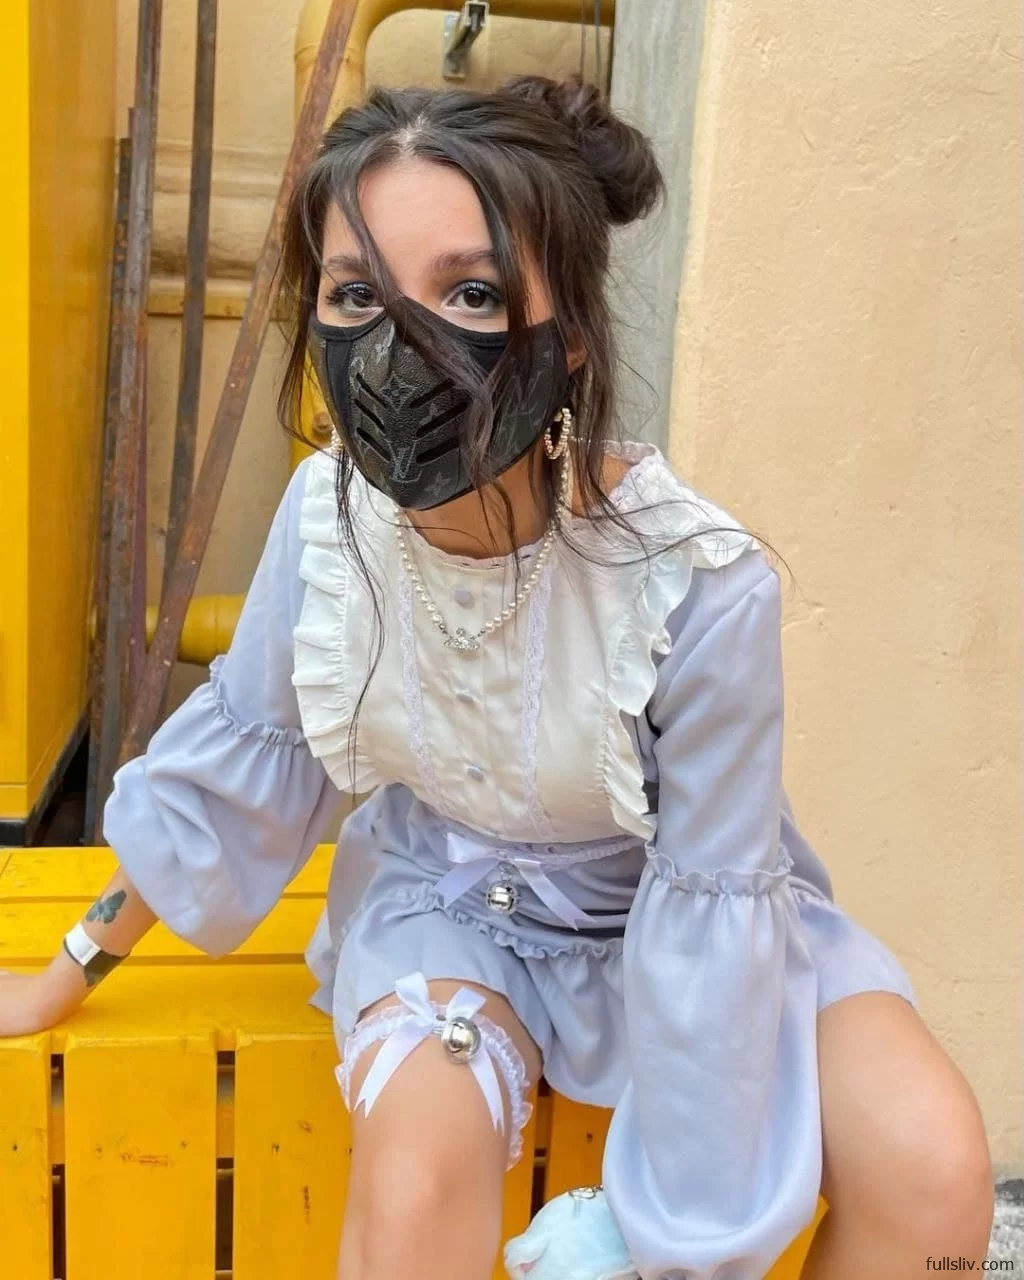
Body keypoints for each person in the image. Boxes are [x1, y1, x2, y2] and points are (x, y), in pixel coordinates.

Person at [0, 76, 993, 1280]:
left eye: (469, 293)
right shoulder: (327, 525)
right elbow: (241, 768)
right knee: (415, 1178)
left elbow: (716, 904)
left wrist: (670, 1242)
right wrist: (63, 974)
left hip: (680, 922)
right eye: (356, 294)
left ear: (567, 335)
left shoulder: (694, 584)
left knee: (935, 1171)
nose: (398, 348)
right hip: (453, 907)